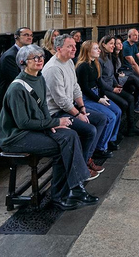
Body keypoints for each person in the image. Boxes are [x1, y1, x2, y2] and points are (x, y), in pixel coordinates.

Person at [0, 44, 98, 211]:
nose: (39, 60)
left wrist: (50, 124)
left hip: (35, 128)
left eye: (41, 57)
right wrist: (55, 123)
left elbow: (43, 106)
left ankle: (77, 187)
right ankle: (60, 196)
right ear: (23, 62)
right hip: (15, 136)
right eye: (34, 58)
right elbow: (23, 123)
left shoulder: (39, 78)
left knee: (70, 135)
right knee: (61, 147)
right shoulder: (17, 88)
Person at [42, 34, 109, 177]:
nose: (74, 49)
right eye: (70, 46)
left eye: (74, 45)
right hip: (56, 113)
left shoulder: (69, 62)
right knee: (89, 130)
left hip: (69, 107)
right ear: (59, 48)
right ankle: (81, 169)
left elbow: (75, 87)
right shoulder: (53, 68)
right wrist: (78, 115)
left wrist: (82, 108)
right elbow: (61, 100)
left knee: (102, 119)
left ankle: (86, 159)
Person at [75, 40, 122, 154]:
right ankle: (100, 147)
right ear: (87, 51)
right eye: (96, 48)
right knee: (110, 117)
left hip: (97, 94)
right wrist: (98, 100)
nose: (99, 50)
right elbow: (84, 88)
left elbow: (99, 81)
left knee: (118, 111)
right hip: (87, 98)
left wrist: (103, 95)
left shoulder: (95, 62)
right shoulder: (82, 66)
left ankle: (110, 139)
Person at [98, 35, 139, 136]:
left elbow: (112, 75)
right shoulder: (99, 60)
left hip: (112, 86)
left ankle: (131, 128)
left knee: (130, 98)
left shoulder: (109, 56)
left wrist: (117, 85)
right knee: (124, 104)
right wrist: (113, 89)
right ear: (103, 44)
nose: (113, 46)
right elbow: (100, 80)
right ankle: (115, 130)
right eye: (111, 44)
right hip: (104, 90)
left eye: (113, 43)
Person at [0, 26, 34, 104]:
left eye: (31, 35)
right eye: (26, 35)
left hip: (23, 90)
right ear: (16, 37)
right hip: (9, 95)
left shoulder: (28, 53)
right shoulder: (10, 56)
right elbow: (16, 80)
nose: (29, 37)